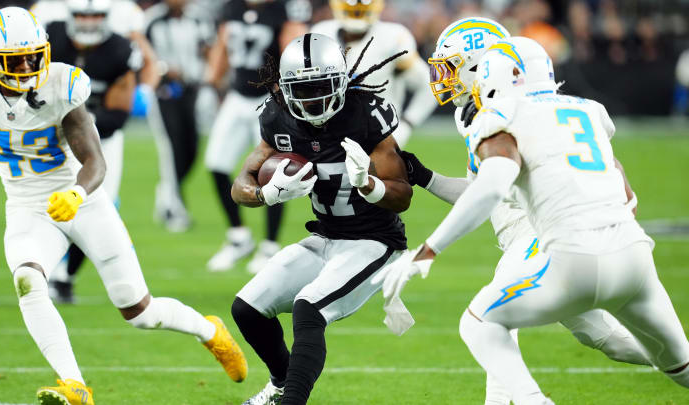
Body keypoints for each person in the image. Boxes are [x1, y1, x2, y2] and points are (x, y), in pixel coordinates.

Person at [376, 36, 689, 404]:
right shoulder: (589, 110)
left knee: (480, 322)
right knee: (673, 364)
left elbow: (491, 188)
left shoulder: (502, 114)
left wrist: (429, 249)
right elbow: (628, 197)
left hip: (568, 255)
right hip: (634, 257)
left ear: (497, 72)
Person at [0, 8, 246, 404]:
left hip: (84, 203)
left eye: (35, 55)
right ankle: (74, 385)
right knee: (28, 281)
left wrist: (77, 194)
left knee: (140, 312)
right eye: (18, 59)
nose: (30, 65)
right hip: (27, 208)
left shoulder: (61, 83)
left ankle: (209, 331)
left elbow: (96, 161)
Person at [230, 33, 412, 405]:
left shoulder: (366, 116)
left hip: (375, 242)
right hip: (326, 237)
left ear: (341, 82)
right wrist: (266, 194)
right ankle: (280, 386)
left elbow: (403, 196)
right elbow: (240, 185)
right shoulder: (278, 116)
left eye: (320, 86)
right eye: (302, 88)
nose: (312, 98)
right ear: (284, 89)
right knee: (246, 309)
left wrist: (369, 184)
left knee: (308, 307)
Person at [43, 0, 142, 303]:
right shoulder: (51, 39)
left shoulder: (120, 50)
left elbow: (119, 113)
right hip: (50, 133)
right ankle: (41, 268)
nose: (88, 22)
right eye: (82, 15)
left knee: (102, 205)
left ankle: (65, 277)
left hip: (101, 137)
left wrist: (83, 123)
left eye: (96, 15)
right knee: (42, 201)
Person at [203, 0, 311, 273]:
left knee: (274, 169)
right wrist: (212, 80)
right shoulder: (232, 7)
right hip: (237, 94)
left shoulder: (284, 9)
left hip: (269, 97)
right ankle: (238, 237)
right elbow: (223, 45)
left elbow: (293, 50)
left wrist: (285, 96)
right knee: (216, 164)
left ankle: (269, 245)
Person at [311, 0, 436, 148]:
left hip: (378, 136)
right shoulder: (320, 34)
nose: (357, 8)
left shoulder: (393, 38)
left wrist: (408, 123)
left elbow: (430, 84)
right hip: (328, 135)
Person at [145, 0, 215, 232]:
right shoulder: (152, 19)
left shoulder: (199, 18)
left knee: (192, 149)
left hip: (191, 90)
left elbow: (208, 50)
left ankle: (165, 194)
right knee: (172, 149)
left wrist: (209, 78)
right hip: (164, 92)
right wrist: (164, 69)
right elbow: (143, 55)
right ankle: (174, 210)